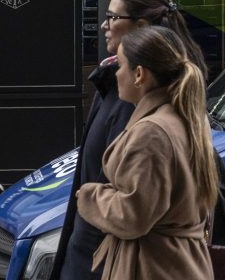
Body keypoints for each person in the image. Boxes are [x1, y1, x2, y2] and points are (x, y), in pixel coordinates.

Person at [52, 0, 205, 280]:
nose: (103, 26)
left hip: (124, 260)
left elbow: (134, 211)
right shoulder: (156, 105)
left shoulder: (144, 119)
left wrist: (91, 196)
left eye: (112, 17)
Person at [76, 25, 217, 280]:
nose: (116, 74)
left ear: (139, 74)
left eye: (120, 66)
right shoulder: (188, 116)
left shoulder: (152, 132)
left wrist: (90, 195)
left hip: (151, 267)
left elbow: (133, 215)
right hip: (182, 262)